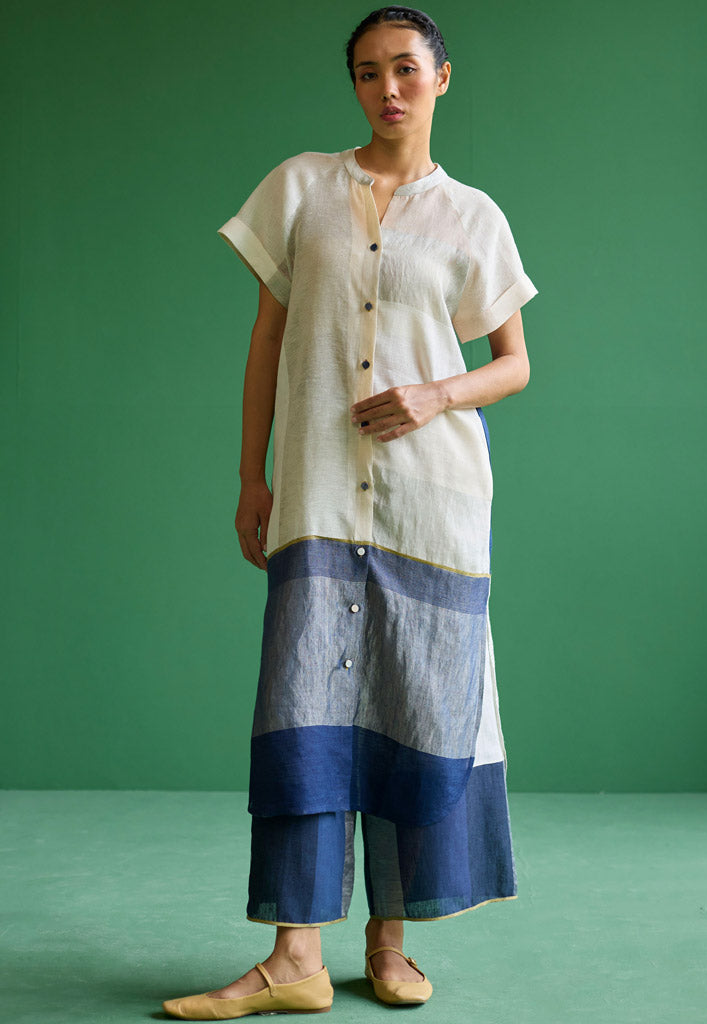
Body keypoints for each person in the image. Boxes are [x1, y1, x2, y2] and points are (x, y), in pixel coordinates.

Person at [162, 5, 538, 1018]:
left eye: (406, 68)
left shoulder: (474, 217)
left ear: (442, 77)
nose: (388, 88)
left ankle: (388, 943)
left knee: (414, 709)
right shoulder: (301, 189)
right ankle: (294, 957)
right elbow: (266, 339)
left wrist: (435, 394)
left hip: (433, 504)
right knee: (304, 713)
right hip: (321, 490)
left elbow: (514, 363)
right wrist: (252, 476)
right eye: (368, 72)